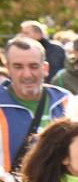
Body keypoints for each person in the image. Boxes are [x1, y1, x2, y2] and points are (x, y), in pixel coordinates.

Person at [1, 37, 71, 174]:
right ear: (8, 69)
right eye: (18, 67)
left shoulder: (65, 101)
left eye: (33, 66)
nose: (27, 74)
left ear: (45, 68)